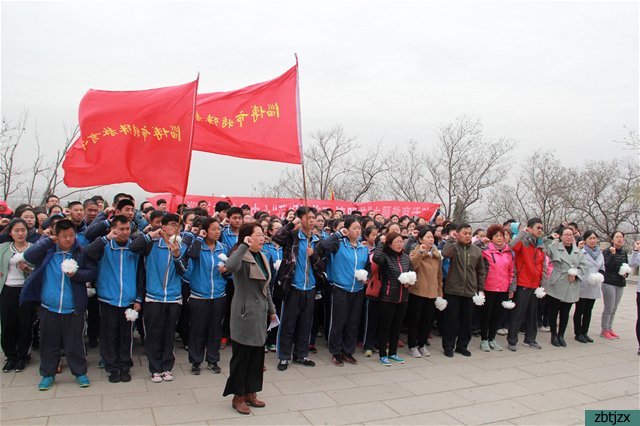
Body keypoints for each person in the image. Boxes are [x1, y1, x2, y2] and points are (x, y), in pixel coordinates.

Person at [20, 219, 97, 390]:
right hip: (49, 307)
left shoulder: (81, 252)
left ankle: (80, 373)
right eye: (64, 236)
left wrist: (75, 275)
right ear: (57, 236)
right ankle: (47, 374)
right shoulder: (48, 251)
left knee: (75, 343)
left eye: (71, 235)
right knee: (49, 343)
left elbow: (91, 273)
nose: (68, 239)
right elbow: (28, 256)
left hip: (73, 308)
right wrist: (47, 240)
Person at [222, 223, 276, 415]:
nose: (262, 238)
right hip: (245, 313)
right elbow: (229, 267)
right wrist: (243, 246)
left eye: (263, 235)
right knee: (242, 357)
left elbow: (266, 288)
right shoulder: (241, 255)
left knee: (256, 357)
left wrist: (272, 310)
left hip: (260, 313)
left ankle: (250, 392)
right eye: (258, 235)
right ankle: (238, 396)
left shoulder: (262, 256)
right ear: (247, 237)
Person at [131, 214, 188, 383]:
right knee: (153, 334)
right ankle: (155, 368)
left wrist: (177, 255)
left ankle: (167, 367)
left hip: (173, 298)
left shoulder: (182, 246)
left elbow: (184, 272)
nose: (176, 228)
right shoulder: (151, 245)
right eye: (172, 224)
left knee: (169, 334)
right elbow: (134, 247)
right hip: (153, 298)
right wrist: (150, 235)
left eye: (178, 225)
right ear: (163, 227)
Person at [85, 215, 140, 383]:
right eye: (120, 229)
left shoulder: (135, 247)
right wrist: (105, 238)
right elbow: (87, 253)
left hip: (129, 300)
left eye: (127, 229)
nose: (124, 232)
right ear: (112, 229)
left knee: (126, 336)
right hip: (108, 299)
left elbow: (141, 274)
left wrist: (138, 298)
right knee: (109, 335)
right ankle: (111, 366)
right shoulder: (104, 245)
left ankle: (125, 365)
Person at [274, 207, 323, 371]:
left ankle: (301, 354)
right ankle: (284, 357)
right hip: (293, 286)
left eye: (313, 217)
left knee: (305, 324)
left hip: (310, 288)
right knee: (288, 323)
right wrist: (290, 223)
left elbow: (321, 266)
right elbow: (277, 237)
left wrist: (313, 255)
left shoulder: (316, 240)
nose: (311, 220)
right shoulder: (292, 238)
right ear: (300, 219)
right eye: (308, 217)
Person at [318, 215, 370, 366]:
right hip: (340, 288)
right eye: (354, 228)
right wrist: (339, 234)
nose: (357, 231)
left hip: (358, 289)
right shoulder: (338, 245)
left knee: (353, 322)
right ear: (346, 229)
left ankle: (348, 351)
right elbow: (322, 248)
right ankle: (336, 352)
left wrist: (365, 277)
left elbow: (367, 267)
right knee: (338, 322)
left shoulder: (363, 248)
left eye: (359, 228)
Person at [184, 217, 229, 375]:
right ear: (205, 230)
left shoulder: (222, 248)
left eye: (219, 229)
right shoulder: (197, 247)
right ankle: (196, 361)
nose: (217, 232)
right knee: (197, 330)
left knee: (215, 330)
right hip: (199, 295)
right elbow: (192, 256)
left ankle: (212, 359)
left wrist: (226, 271)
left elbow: (229, 271)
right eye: (213, 229)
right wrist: (199, 237)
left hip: (218, 295)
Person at [441, 223, 486, 357]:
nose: (467, 236)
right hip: (453, 290)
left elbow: (481, 271)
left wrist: (480, 289)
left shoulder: (476, 250)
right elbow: (445, 253)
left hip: (470, 291)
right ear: (458, 234)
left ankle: (462, 346)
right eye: (464, 233)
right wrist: (451, 239)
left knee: (467, 322)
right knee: (451, 321)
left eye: (469, 233)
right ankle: (448, 346)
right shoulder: (453, 247)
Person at [507, 218, 547, 351]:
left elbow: (543, 266)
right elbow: (512, 245)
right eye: (538, 227)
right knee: (518, 314)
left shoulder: (540, 246)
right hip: (523, 283)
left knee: (532, 314)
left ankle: (530, 339)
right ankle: (512, 340)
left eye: (541, 228)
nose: (540, 230)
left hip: (535, 285)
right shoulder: (523, 242)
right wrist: (522, 233)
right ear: (529, 228)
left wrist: (543, 283)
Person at [0, 219, 35, 373]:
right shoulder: (4, 249)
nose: (20, 233)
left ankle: (22, 356)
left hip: (26, 290)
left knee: (25, 324)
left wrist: (27, 269)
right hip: (7, 290)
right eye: (16, 230)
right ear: (10, 232)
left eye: (23, 230)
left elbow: (39, 272)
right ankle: (10, 356)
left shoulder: (33, 249)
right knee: (8, 324)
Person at [373, 232, 412, 366]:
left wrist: (410, 281)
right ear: (390, 244)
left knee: (397, 327)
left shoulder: (406, 258)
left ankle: (393, 353)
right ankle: (383, 354)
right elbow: (376, 258)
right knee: (385, 326)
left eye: (401, 241)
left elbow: (411, 273)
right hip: (388, 297)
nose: (400, 244)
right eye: (396, 241)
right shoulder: (385, 257)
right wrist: (381, 242)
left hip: (403, 297)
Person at [544, 227, 587, 347]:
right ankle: (553, 335)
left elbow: (584, 266)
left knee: (565, 312)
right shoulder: (555, 247)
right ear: (561, 236)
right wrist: (551, 237)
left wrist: (576, 274)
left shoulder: (578, 251)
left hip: (571, 283)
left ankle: (561, 335)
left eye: (571, 235)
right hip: (557, 281)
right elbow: (545, 247)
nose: (568, 237)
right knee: (553, 311)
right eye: (566, 234)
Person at [408, 227, 443, 358]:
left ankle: (421, 344)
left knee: (427, 321)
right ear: (420, 239)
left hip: (432, 292)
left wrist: (440, 291)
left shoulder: (436, 254)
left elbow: (439, 275)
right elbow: (412, 266)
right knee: (415, 320)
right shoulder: (415, 252)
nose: (431, 239)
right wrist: (420, 253)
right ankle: (412, 345)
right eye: (428, 237)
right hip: (417, 291)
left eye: (432, 237)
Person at [479, 224, 514, 352]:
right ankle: (484, 339)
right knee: (486, 315)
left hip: (503, 288)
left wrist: (511, 287)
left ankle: (492, 339)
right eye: (496, 236)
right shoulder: (486, 251)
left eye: (502, 236)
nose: (500, 238)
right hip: (489, 287)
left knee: (497, 315)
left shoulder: (508, 252)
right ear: (491, 238)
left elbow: (511, 270)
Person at [574, 230, 604, 343]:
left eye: (594, 238)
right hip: (583, 284)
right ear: (585, 240)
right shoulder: (581, 252)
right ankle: (578, 333)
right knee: (580, 310)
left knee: (589, 310)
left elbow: (602, 267)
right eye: (590, 238)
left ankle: (585, 332)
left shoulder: (600, 253)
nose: (592, 241)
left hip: (594, 285)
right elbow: (575, 264)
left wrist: (600, 275)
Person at [601, 231, 630, 340]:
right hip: (609, 282)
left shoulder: (624, 252)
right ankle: (604, 330)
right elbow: (607, 266)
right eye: (617, 237)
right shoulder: (607, 251)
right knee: (609, 307)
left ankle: (610, 328)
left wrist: (626, 274)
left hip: (620, 282)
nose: (619, 239)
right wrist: (613, 255)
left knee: (615, 308)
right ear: (612, 240)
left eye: (621, 237)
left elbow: (626, 265)